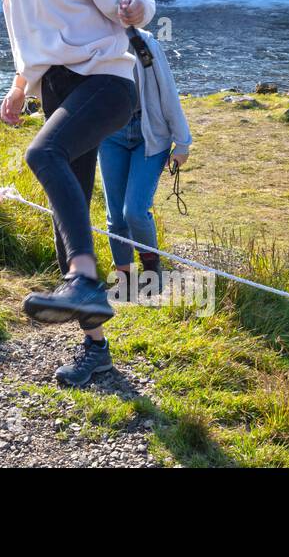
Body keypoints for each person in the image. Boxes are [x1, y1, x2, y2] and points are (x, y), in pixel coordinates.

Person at [0, 0, 155, 384]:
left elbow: (130, 1)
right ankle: (96, 351)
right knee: (70, 219)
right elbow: (24, 36)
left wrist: (135, 8)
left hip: (106, 81)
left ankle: (84, 278)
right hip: (56, 88)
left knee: (43, 153)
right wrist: (19, 87)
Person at [82, 27, 191, 384]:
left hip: (151, 134)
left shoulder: (146, 44)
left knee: (134, 210)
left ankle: (151, 267)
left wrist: (182, 141)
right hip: (111, 134)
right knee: (114, 215)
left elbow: (168, 91)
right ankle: (125, 277)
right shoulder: (93, 41)